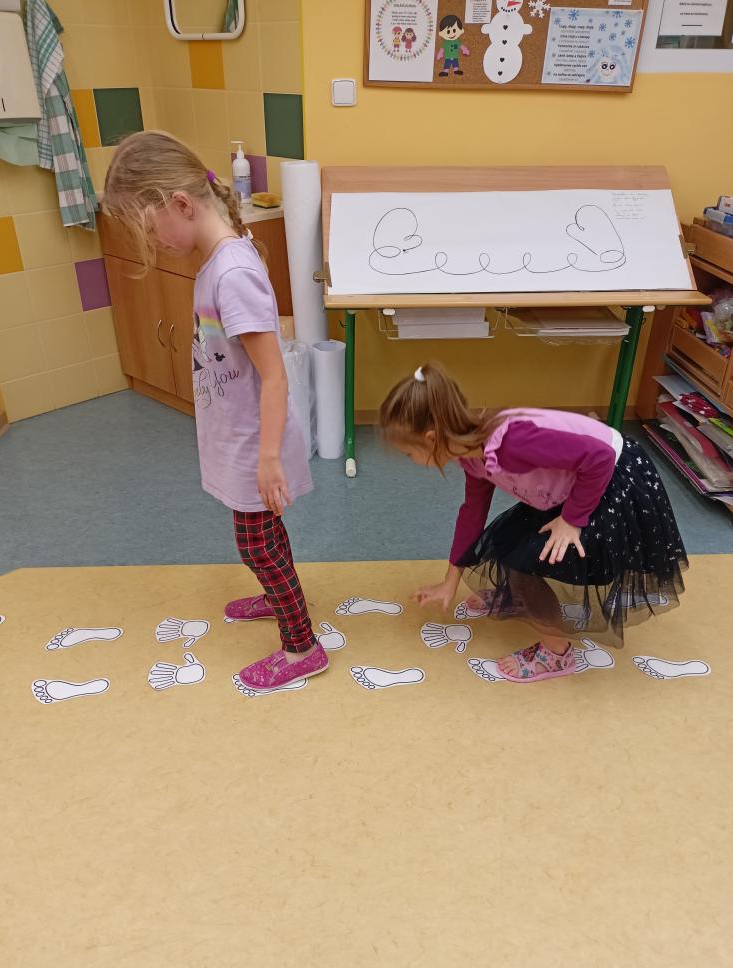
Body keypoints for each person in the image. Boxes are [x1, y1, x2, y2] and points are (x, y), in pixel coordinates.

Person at [103, 131, 328, 691]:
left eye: (152, 230)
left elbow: (274, 375)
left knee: (256, 544)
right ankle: (279, 597)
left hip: (256, 441)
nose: (155, 244)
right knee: (264, 538)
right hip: (242, 433)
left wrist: (268, 459)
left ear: (180, 204)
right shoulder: (220, 262)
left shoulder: (232, 275)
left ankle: (302, 646)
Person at [379, 363, 687, 682]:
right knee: (506, 542)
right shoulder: (470, 452)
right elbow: (473, 512)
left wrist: (572, 520)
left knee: (522, 565)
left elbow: (600, 458)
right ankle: (523, 599)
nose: (411, 461)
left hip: (611, 484)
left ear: (431, 438)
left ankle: (557, 654)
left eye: (409, 454)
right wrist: (449, 582)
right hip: (573, 485)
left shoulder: (512, 442)